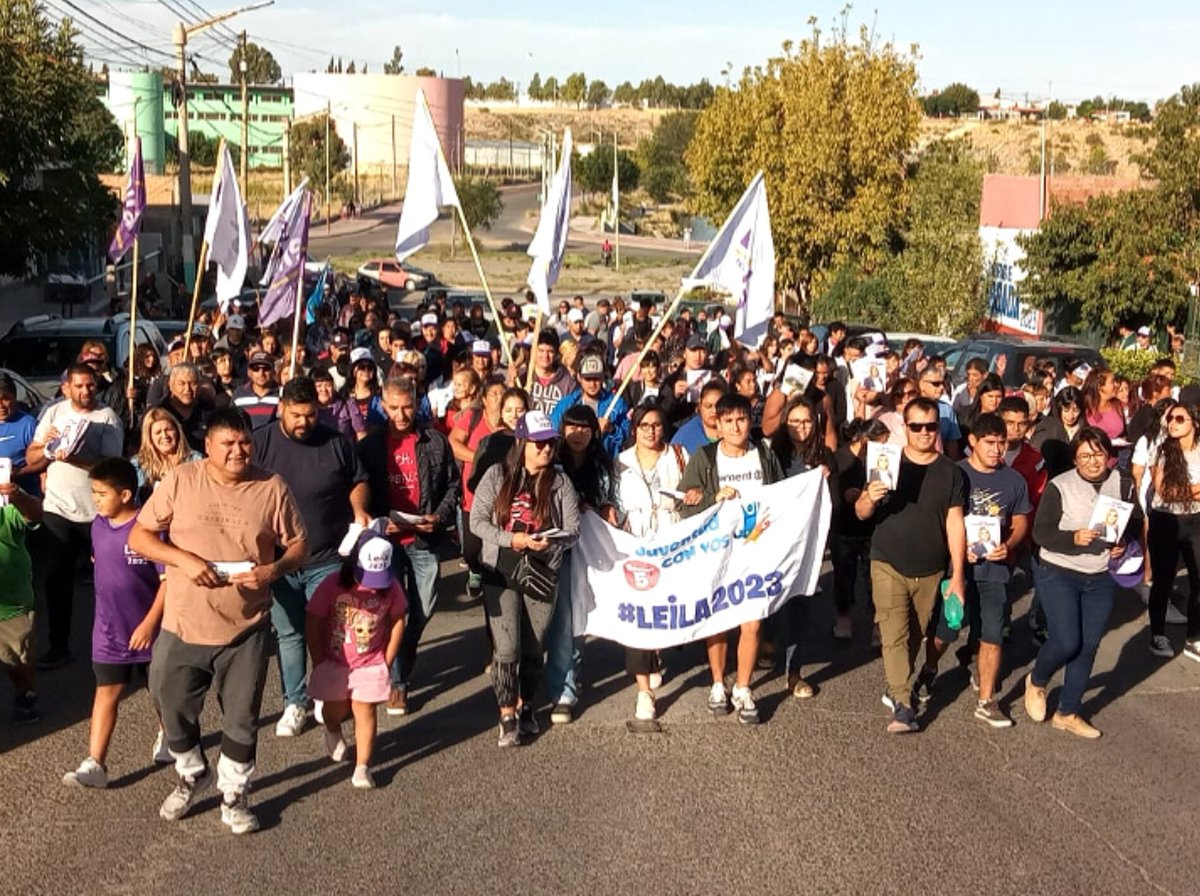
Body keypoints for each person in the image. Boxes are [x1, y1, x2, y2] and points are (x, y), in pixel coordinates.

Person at [130, 408, 309, 834]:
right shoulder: (182, 480)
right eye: (227, 443)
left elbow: (300, 546)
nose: (237, 451)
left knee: (242, 717)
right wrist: (183, 560)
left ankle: (234, 794)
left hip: (245, 625)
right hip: (184, 622)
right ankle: (193, 772)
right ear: (207, 446)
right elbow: (140, 535)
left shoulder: (271, 487)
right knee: (168, 699)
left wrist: (272, 570)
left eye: (244, 442)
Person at [254, 377, 371, 737]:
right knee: (289, 632)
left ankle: (326, 690)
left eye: (311, 415)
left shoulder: (336, 442)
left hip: (327, 554)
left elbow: (358, 480)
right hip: (280, 561)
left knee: (328, 628)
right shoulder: (260, 443)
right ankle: (294, 701)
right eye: (296, 415)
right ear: (281, 409)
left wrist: (359, 510)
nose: (304, 422)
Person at [855, 397, 967, 734]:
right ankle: (904, 704)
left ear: (938, 428)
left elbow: (955, 523)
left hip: (930, 568)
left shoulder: (951, 472)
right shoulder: (887, 462)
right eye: (916, 426)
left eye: (930, 426)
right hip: (887, 561)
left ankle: (897, 685)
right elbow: (861, 512)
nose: (923, 432)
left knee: (915, 634)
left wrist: (958, 575)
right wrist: (869, 497)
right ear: (905, 428)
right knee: (893, 633)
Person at [470, 411, 580, 746]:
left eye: (550, 443)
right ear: (521, 442)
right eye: (539, 443)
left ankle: (526, 704)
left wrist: (552, 541)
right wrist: (511, 539)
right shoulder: (497, 474)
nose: (546, 449)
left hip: (542, 570)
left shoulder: (560, 482)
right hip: (501, 568)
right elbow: (477, 521)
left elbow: (573, 530)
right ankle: (506, 715)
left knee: (534, 646)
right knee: (507, 647)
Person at [917, 413, 1031, 727]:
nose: (997, 449)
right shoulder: (955, 474)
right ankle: (929, 670)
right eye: (990, 443)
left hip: (995, 572)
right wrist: (956, 549)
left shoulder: (1014, 480)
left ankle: (986, 700)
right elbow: (938, 520)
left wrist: (1009, 543)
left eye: (1001, 443)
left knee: (992, 636)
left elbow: (1021, 520)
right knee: (945, 632)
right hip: (957, 571)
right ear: (972, 441)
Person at [678, 392, 785, 725]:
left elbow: (783, 495)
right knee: (720, 621)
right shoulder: (705, 457)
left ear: (750, 421)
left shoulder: (764, 454)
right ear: (718, 425)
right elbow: (684, 503)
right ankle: (717, 683)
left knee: (753, 621)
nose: (736, 427)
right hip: (719, 554)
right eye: (729, 421)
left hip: (756, 551)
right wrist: (713, 497)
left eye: (741, 419)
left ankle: (743, 686)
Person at [1026, 428, 1139, 738]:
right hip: (1059, 571)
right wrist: (1072, 538)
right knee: (1066, 641)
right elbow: (1041, 533)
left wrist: (1123, 543)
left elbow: (1133, 522)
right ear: (1075, 458)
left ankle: (1067, 712)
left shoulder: (1123, 483)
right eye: (1085, 455)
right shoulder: (1060, 486)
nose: (1092, 461)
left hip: (1100, 576)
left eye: (1098, 453)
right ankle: (1037, 680)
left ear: (1108, 455)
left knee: (1088, 645)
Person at [358, 377, 460, 717]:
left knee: (424, 607)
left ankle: (404, 650)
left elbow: (452, 485)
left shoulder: (435, 441)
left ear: (416, 405)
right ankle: (398, 682)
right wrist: (374, 520)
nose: (401, 415)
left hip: (423, 537)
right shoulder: (370, 446)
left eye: (407, 407)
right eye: (394, 408)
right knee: (393, 611)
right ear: (383, 406)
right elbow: (358, 489)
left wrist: (439, 517)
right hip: (385, 541)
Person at [62, 459, 168, 788]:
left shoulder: (150, 528)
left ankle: (170, 736)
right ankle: (95, 763)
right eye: (93, 492)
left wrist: (149, 624)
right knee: (106, 691)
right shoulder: (98, 524)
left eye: (101, 493)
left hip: (151, 630)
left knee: (161, 692)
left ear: (124, 494)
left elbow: (168, 581)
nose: (95, 500)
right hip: (108, 630)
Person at [27, 363, 125, 669]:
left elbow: (112, 467)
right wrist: (46, 449)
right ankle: (59, 645)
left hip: (96, 512)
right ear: (67, 387)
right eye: (79, 386)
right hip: (58, 508)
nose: (85, 391)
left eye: (90, 385)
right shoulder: (54, 413)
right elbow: (32, 456)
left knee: (110, 581)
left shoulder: (107, 418)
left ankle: (118, 643)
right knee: (56, 579)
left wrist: (76, 458)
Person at [307, 533, 407, 789]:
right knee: (335, 709)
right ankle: (332, 728)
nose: (373, 586)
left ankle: (363, 767)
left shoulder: (391, 586)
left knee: (365, 709)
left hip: (371, 660)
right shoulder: (332, 584)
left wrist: (388, 657)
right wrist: (317, 658)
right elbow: (314, 619)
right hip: (335, 660)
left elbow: (398, 618)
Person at [545, 404, 620, 725]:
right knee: (564, 617)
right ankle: (562, 688)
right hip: (560, 550)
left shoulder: (603, 465)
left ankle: (570, 676)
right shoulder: (551, 461)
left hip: (594, 549)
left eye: (586, 428)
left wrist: (606, 506)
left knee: (585, 613)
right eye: (572, 427)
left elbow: (612, 499)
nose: (578, 434)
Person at [614, 404, 687, 720]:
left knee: (665, 606)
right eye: (644, 425)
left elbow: (692, 491)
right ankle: (644, 690)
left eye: (656, 425)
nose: (650, 431)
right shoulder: (621, 461)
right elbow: (612, 499)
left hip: (671, 538)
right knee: (639, 615)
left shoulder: (679, 455)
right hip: (635, 541)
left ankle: (656, 652)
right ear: (635, 429)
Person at [768, 395, 833, 699]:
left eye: (807, 421)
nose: (801, 427)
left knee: (799, 604)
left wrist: (827, 478)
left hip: (807, 541)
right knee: (770, 600)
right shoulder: (773, 455)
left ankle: (794, 672)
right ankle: (767, 643)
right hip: (775, 540)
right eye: (794, 421)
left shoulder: (824, 456)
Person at [1145, 401, 1200, 661]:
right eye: (1170, 419)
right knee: (1163, 581)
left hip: (1196, 521)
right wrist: (1197, 489)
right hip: (1165, 520)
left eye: (1179, 419)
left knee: (1198, 581)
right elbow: (1165, 491)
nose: (1172, 424)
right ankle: (1157, 634)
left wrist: (1186, 492)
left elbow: (1178, 491)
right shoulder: (1161, 449)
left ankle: (1194, 637)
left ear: (1195, 423)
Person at [0, 471, 42, 724]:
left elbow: (34, 514)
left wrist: (17, 496)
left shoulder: (6, 497)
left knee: (18, 660)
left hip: (11, 603)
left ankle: (25, 693)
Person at [549, 353, 630, 459]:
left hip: (604, 460)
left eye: (596, 379)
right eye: (588, 379)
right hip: (572, 461)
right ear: (579, 377)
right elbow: (554, 431)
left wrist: (612, 428)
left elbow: (627, 434)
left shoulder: (616, 403)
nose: (592, 384)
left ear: (603, 378)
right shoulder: (566, 404)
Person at [131, 407, 202, 505]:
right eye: (158, 432)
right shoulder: (138, 464)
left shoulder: (195, 460)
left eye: (168, 430)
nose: (164, 436)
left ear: (177, 431)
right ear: (149, 437)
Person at [154, 363, 214, 453]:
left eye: (192, 383)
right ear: (170, 385)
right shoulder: (158, 412)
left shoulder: (210, 412)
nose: (187, 389)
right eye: (181, 384)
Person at [0, 373, 42, 495]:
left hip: (20, 496)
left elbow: (43, 461)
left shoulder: (28, 424)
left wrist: (19, 472)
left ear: (14, 397)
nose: (1, 406)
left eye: (5, 398)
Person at [527, 330, 577, 418]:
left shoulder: (567, 382)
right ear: (533, 351)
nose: (545, 356)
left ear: (556, 354)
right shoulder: (523, 376)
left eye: (550, 351)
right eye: (541, 350)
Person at [671, 379, 727, 453]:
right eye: (708, 406)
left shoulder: (737, 431)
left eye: (718, 406)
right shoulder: (684, 437)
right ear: (700, 405)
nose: (714, 411)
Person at [232, 350, 280, 431]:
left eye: (266, 368)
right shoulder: (239, 394)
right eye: (256, 369)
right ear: (249, 372)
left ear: (273, 371)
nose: (261, 373)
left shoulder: (282, 394)